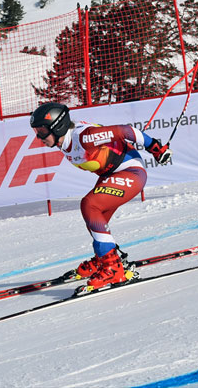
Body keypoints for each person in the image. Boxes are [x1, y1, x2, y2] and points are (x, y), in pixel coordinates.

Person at [30, 102, 172, 290]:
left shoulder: (84, 137)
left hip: (131, 172)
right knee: (96, 219)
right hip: (112, 174)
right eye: (36, 131)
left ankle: (113, 267)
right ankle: (104, 259)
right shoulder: (63, 140)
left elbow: (125, 131)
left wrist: (155, 148)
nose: (39, 137)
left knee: (90, 205)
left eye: (41, 131)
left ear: (58, 127)